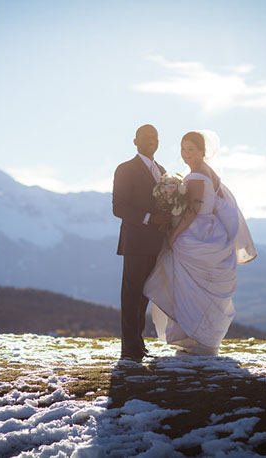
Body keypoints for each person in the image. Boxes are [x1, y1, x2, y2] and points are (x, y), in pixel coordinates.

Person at [143, 131, 256, 356]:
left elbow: (191, 213)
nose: (186, 154)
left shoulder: (195, 176)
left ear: (202, 151)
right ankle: (200, 338)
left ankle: (193, 338)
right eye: (183, 149)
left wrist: (173, 236)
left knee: (185, 287)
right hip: (210, 233)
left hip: (194, 235)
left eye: (191, 149)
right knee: (197, 291)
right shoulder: (209, 172)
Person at [112, 124, 172, 362]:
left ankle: (138, 343)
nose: (152, 141)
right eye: (146, 137)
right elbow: (119, 207)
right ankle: (129, 348)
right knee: (131, 294)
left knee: (144, 295)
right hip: (136, 242)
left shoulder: (162, 170)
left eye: (155, 137)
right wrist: (150, 219)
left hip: (157, 243)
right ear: (135, 141)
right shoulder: (125, 169)